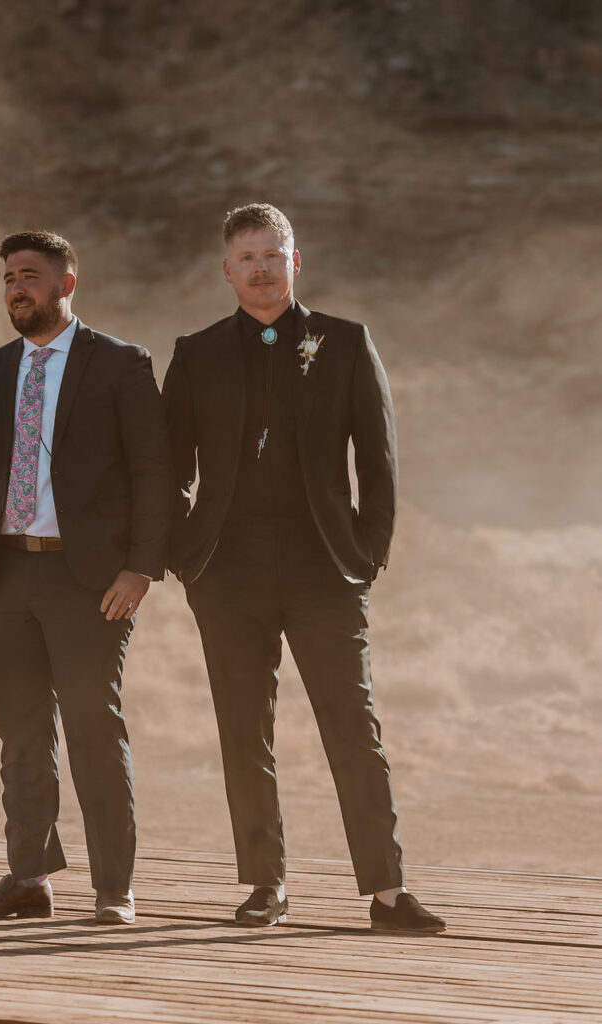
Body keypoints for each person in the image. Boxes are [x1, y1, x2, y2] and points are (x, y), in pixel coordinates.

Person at [161, 204, 445, 932]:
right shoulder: (194, 354)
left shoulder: (344, 343)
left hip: (325, 570)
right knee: (242, 729)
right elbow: (166, 465)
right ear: (227, 270)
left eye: (272, 254)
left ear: (295, 262)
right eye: (247, 256)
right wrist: (186, 554)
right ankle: (265, 886)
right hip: (227, 574)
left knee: (352, 723)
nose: (260, 267)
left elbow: (378, 462)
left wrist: (367, 555)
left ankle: (386, 893)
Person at [0, 230, 172, 925]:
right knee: (22, 735)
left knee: (92, 730)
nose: (17, 286)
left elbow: (156, 474)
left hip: (91, 582)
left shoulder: (121, 364)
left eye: (32, 275)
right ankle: (29, 879)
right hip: (4, 576)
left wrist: (140, 568)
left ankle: (113, 890)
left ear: (67, 284)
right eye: (9, 275)